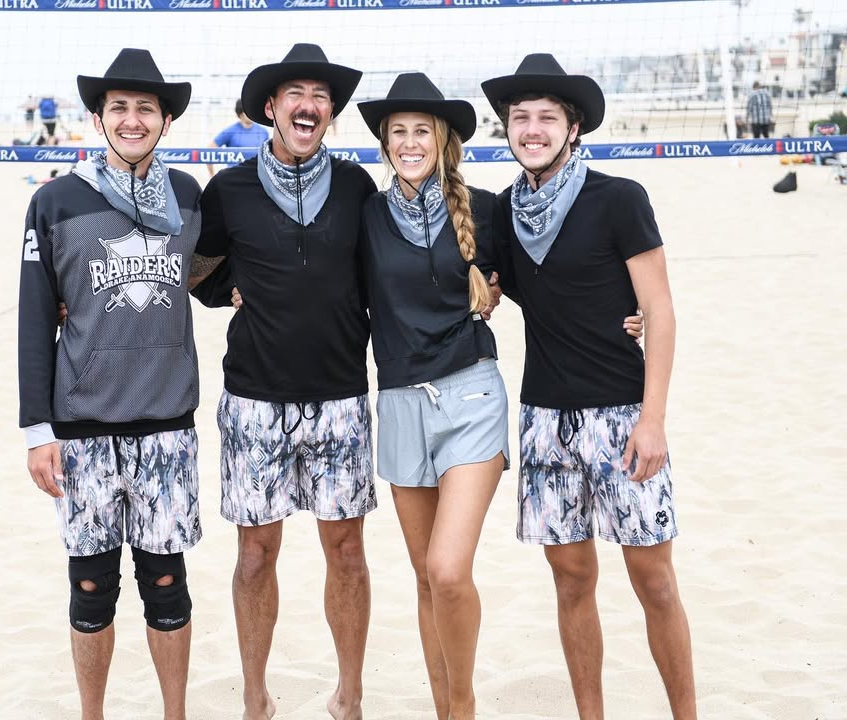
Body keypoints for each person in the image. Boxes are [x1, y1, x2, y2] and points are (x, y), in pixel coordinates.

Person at [482, 54, 696, 719]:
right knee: (571, 580)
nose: (532, 129)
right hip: (545, 420)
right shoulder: (503, 214)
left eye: (547, 117)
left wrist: (653, 419)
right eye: (521, 117)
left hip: (624, 416)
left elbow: (659, 309)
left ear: (573, 128)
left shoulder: (618, 198)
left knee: (654, 580)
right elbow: (494, 288)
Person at [18, 48, 210, 720]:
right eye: (119, 108)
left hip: (166, 425)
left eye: (145, 108)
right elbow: (34, 319)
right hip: (82, 428)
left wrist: (246, 291)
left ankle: (174, 714)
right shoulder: (54, 200)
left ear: (165, 120)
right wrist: (37, 430)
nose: (133, 119)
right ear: (98, 118)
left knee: (167, 584)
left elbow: (212, 274)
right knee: (92, 588)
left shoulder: (187, 195)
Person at [192, 44, 376, 720]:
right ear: (270, 108)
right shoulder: (230, 189)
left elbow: (392, 271)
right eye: (294, 93)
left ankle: (349, 695)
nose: (308, 104)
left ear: (330, 112)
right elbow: (194, 271)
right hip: (253, 399)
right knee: (254, 554)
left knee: (347, 552)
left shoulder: (356, 187)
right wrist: (228, 290)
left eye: (320, 95)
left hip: (340, 397)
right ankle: (255, 697)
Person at [355, 72, 508, 720]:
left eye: (423, 130)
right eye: (399, 132)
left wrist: (628, 319)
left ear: (443, 139)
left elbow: (554, 282)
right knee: (424, 579)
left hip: (471, 398)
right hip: (398, 406)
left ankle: (463, 704)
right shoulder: (365, 216)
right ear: (385, 143)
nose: (410, 142)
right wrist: (232, 290)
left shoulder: (485, 209)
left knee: (447, 570)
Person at [206, 98, 269, 177]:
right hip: (235, 176)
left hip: (256, 177)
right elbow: (209, 150)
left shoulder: (263, 132)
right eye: (248, 111)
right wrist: (212, 174)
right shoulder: (230, 131)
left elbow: (269, 156)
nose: (251, 114)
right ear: (240, 114)